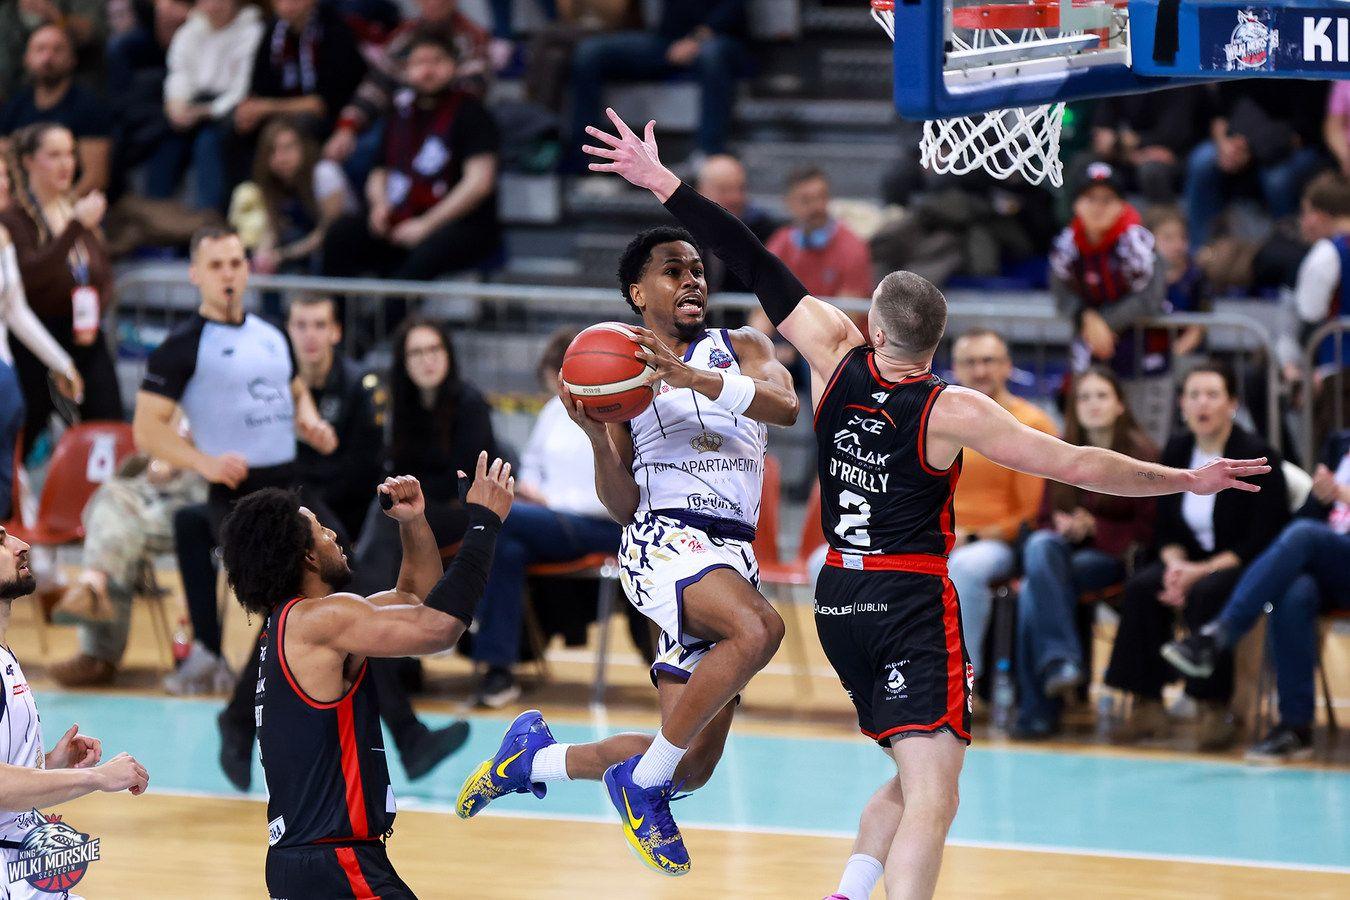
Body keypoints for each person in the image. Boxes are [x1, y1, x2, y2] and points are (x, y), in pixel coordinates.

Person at [580, 108, 1271, 899]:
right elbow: (1080, 463)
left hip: (838, 596)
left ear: (873, 327)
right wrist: (1184, 477)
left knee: (915, 776)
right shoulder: (954, 409)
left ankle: (848, 892)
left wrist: (663, 182)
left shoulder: (836, 355)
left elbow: (749, 253)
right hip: (909, 598)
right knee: (935, 795)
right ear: (936, 344)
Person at [456, 224, 798, 878]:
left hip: (732, 555)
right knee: (760, 629)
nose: (692, 279)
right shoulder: (622, 369)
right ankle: (641, 790)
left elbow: (785, 406)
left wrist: (691, 377)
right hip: (664, 541)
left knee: (689, 766)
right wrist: (594, 434)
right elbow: (622, 503)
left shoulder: (742, 347)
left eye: (697, 269)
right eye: (673, 270)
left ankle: (531, 760)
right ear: (639, 293)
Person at [219, 460, 513, 899]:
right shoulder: (321, 620)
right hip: (336, 863)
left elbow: (416, 599)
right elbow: (440, 627)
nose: (334, 536)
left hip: (305, 863)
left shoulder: (299, 624)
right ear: (307, 556)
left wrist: (413, 523)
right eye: (322, 531)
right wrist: (485, 522)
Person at [132, 226, 338, 693]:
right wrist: (203, 463)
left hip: (290, 487)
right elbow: (146, 429)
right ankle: (249, 697)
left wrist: (310, 422)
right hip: (237, 497)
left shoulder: (271, 333)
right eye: (216, 265)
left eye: (235, 264)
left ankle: (271, 689)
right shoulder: (182, 346)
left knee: (343, 566)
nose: (227, 274)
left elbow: (295, 390)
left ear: (247, 270)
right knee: (287, 587)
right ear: (195, 274)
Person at [1103, 362, 1287, 750]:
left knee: (1209, 592)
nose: (1202, 404)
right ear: (1182, 404)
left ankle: (1212, 707)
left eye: (1212, 395)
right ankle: (1147, 703)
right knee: (1142, 588)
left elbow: (1263, 538)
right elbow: (1163, 525)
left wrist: (1198, 572)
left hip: (1239, 563)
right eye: (1194, 395)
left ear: (1232, 404)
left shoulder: (1256, 455)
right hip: (1185, 559)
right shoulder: (1177, 449)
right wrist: (1175, 567)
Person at [1164, 428, 1350, 762]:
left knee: (1303, 535)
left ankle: (1218, 635)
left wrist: (1343, 495)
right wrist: (1320, 497)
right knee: (1294, 592)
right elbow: (1307, 517)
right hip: (1331, 566)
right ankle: (1296, 728)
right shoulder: (1339, 444)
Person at [467, 327, 623, 708]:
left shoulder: (618, 408)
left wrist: (548, 500)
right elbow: (532, 464)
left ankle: (463, 612)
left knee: (494, 515)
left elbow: (617, 490)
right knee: (507, 549)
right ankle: (499, 672)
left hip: (603, 524)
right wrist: (532, 489)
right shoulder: (554, 410)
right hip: (545, 519)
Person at [0, 523, 151, 895]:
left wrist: (48, 764)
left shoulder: (5, 653)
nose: (22, 544)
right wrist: (96, 778)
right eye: (0, 542)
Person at [1013, 367, 1158, 739]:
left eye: (1102, 396)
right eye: (1084, 398)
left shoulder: (1142, 455)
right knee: (1041, 547)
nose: (1093, 404)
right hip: (1063, 555)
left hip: (1114, 559)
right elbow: (1043, 520)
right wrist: (1063, 526)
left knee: (1033, 590)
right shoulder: (1061, 451)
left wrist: (1096, 527)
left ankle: (1038, 709)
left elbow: (1150, 527)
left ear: (1120, 404)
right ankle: (1060, 663)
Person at [322, 30, 502, 281]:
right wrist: (379, 206)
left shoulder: (472, 113)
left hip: (455, 223)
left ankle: (390, 309)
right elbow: (379, 170)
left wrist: (426, 224)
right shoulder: (399, 112)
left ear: (453, 66)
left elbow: (479, 183)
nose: (427, 70)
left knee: (424, 257)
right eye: (419, 62)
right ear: (406, 70)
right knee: (341, 235)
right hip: (403, 214)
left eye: (436, 61)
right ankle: (333, 307)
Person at [349, 317, 497, 596]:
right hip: (421, 506)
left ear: (448, 354)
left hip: (462, 512)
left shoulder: (470, 403)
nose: (427, 360)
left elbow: (462, 481)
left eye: (434, 349)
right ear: (403, 361)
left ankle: (367, 605)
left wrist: (408, 494)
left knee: (389, 518)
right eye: (416, 353)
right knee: (380, 509)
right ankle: (377, 605)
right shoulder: (403, 405)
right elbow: (392, 465)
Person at [0, 122, 120, 458]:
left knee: (107, 430)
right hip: (34, 342)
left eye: (70, 154)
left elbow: (103, 274)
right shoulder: (16, 219)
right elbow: (33, 277)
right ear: (28, 161)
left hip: (84, 337)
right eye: (54, 155)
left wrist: (94, 312)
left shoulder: (76, 209)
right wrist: (75, 227)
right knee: (20, 441)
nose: (66, 164)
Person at [945, 329, 1056, 670]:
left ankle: (964, 680)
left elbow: (1031, 514)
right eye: (970, 362)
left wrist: (971, 537)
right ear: (955, 368)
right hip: (939, 536)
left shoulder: (1032, 424)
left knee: (964, 567)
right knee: (832, 561)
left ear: (1008, 366)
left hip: (997, 544)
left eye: (988, 361)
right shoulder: (940, 420)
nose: (980, 371)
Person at [47, 452, 205, 686]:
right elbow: (147, 449)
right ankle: (95, 589)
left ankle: (97, 651)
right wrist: (154, 464)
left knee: (115, 530)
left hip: (196, 500)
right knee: (110, 498)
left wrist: (187, 464)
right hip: (149, 493)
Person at [1050, 160, 1171, 443]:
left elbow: (1151, 298)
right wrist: (1087, 318)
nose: (1098, 207)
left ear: (1121, 205)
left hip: (1142, 358)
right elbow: (1061, 293)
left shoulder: (1138, 242)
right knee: (1086, 442)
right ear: (1076, 204)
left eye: (1107, 199)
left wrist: (1103, 324)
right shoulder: (1066, 244)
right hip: (1090, 356)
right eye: (1090, 198)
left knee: (1144, 442)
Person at [566, 0, 747, 171]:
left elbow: (733, 7)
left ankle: (710, 155)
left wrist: (696, 39)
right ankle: (582, 158)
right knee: (590, 52)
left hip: (721, 39)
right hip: (667, 40)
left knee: (712, 54)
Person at [0, 152, 81, 520]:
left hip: (5, 380)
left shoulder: (3, 236)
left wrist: (61, 362)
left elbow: (15, 310)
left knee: (7, 491)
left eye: (6, 175)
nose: (5, 184)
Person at [323, 0, 494, 166]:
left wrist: (424, 88)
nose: (434, 2)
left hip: (449, 123)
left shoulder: (471, 36)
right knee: (353, 151)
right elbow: (378, 83)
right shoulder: (404, 35)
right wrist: (348, 126)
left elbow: (471, 91)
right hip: (401, 118)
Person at [286, 293, 384, 542]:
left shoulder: (360, 385)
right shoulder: (276, 385)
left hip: (347, 509)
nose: (310, 335)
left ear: (336, 332)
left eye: (320, 325)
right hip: (291, 500)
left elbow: (364, 467)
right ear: (289, 330)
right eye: (301, 325)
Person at [1185, 81, 1329, 246]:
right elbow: (1219, 114)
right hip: (1237, 141)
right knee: (1202, 160)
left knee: (1277, 179)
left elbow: (1306, 130)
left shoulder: (1301, 74)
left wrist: (1252, 148)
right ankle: (1202, 250)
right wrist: (1224, 144)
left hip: (1289, 146)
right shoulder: (1238, 69)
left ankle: (1286, 247)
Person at [154, 0, 264, 211]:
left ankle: (209, 215)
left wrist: (203, 112)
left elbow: (241, 90)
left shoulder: (252, 31)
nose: (213, 5)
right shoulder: (189, 31)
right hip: (192, 104)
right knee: (163, 137)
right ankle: (155, 213)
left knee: (208, 141)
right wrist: (175, 104)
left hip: (228, 110)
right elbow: (179, 74)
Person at [231, 118, 355, 275]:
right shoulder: (275, 184)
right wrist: (263, 255)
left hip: (343, 248)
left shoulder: (325, 174)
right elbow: (272, 228)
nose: (281, 158)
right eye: (273, 151)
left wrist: (282, 255)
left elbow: (327, 233)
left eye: (288, 148)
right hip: (302, 246)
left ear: (304, 147)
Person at [0, 25, 112, 197]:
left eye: (57, 50)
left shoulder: (89, 107)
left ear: (73, 59)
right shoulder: (16, 105)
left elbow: (95, 178)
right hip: (20, 200)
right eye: (40, 49)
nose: (47, 57)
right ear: (26, 58)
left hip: (69, 202)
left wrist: (57, 209)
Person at [234, 0, 366, 141]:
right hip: (283, 110)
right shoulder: (274, 31)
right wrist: (250, 111)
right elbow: (260, 88)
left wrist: (266, 107)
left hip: (335, 116)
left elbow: (321, 105)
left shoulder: (333, 27)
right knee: (238, 126)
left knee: (300, 125)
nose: (287, 5)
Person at [1279, 172, 1350, 391]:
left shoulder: (1327, 252)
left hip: (1338, 370)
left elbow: (1310, 313)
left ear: (1318, 215)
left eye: (1305, 212)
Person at [765, 166, 875, 302]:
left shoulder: (852, 247)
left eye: (822, 197)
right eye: (806, 200)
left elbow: (847, 312)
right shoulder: (780, 243)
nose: (817, 207)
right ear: (788, 203)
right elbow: (763, 306)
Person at [695, 153, 779, 295]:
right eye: (724, 190)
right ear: (700, 192)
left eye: (741, 189)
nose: (735, 198)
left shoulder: (763, 232)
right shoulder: (679, 235)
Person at [0, 0, 105, 100]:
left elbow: (91, 33)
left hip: (78, 80)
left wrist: (53, 15)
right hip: (20, 90)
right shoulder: (7, 12)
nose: (47, 56)